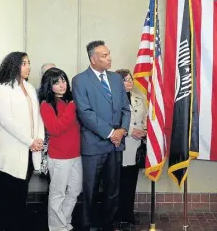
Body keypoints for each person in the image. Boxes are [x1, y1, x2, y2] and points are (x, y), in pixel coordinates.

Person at [72, 40, 130, 231]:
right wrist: (111, 132)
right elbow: (85, 112)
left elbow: (125, 108)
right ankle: (88, 226)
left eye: (109, 54)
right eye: (104, 56)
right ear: (93, 58)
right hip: (94, 145)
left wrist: (122, 130)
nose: (109, 58)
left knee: (113, 189)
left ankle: (108, 224)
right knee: (90, 189)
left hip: (116, 144)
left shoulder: (115, 79)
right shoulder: (80, 80)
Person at [0, 52, 44, 231]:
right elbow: (7, 121)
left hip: (28, 150)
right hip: (10, 150)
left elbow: (37, 117)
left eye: (29, 63)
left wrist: (39, 139)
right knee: (9, 195)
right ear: (13, 65)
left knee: (22, 193)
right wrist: (30, 141)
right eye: (23, 63)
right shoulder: (2, 88)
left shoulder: (29, 87)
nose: (28, 66)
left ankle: (19, 225)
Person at [39, 67, 82, 231]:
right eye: (56, 82)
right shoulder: (47, 105)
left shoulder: (69, 100)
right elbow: (55, 129)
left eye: (63, 80)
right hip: (59, 157)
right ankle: (57, 227)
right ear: (49, 86)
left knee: (75, 190)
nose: (62, 85)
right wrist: (72, 108)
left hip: (76, 155)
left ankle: (63, 222)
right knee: (58, 193)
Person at [115, 69, 147, 225]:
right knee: (118, 182)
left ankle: (128, 213)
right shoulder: (113, 99)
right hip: (120, 146)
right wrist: (129, 132)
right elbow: (112, 124)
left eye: (131, 79)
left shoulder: (138, 99)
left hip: (135, 147)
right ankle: (116, 214)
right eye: (126, 80)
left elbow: (144, 119)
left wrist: (144, 132)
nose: (130, 82)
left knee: (131, 181)